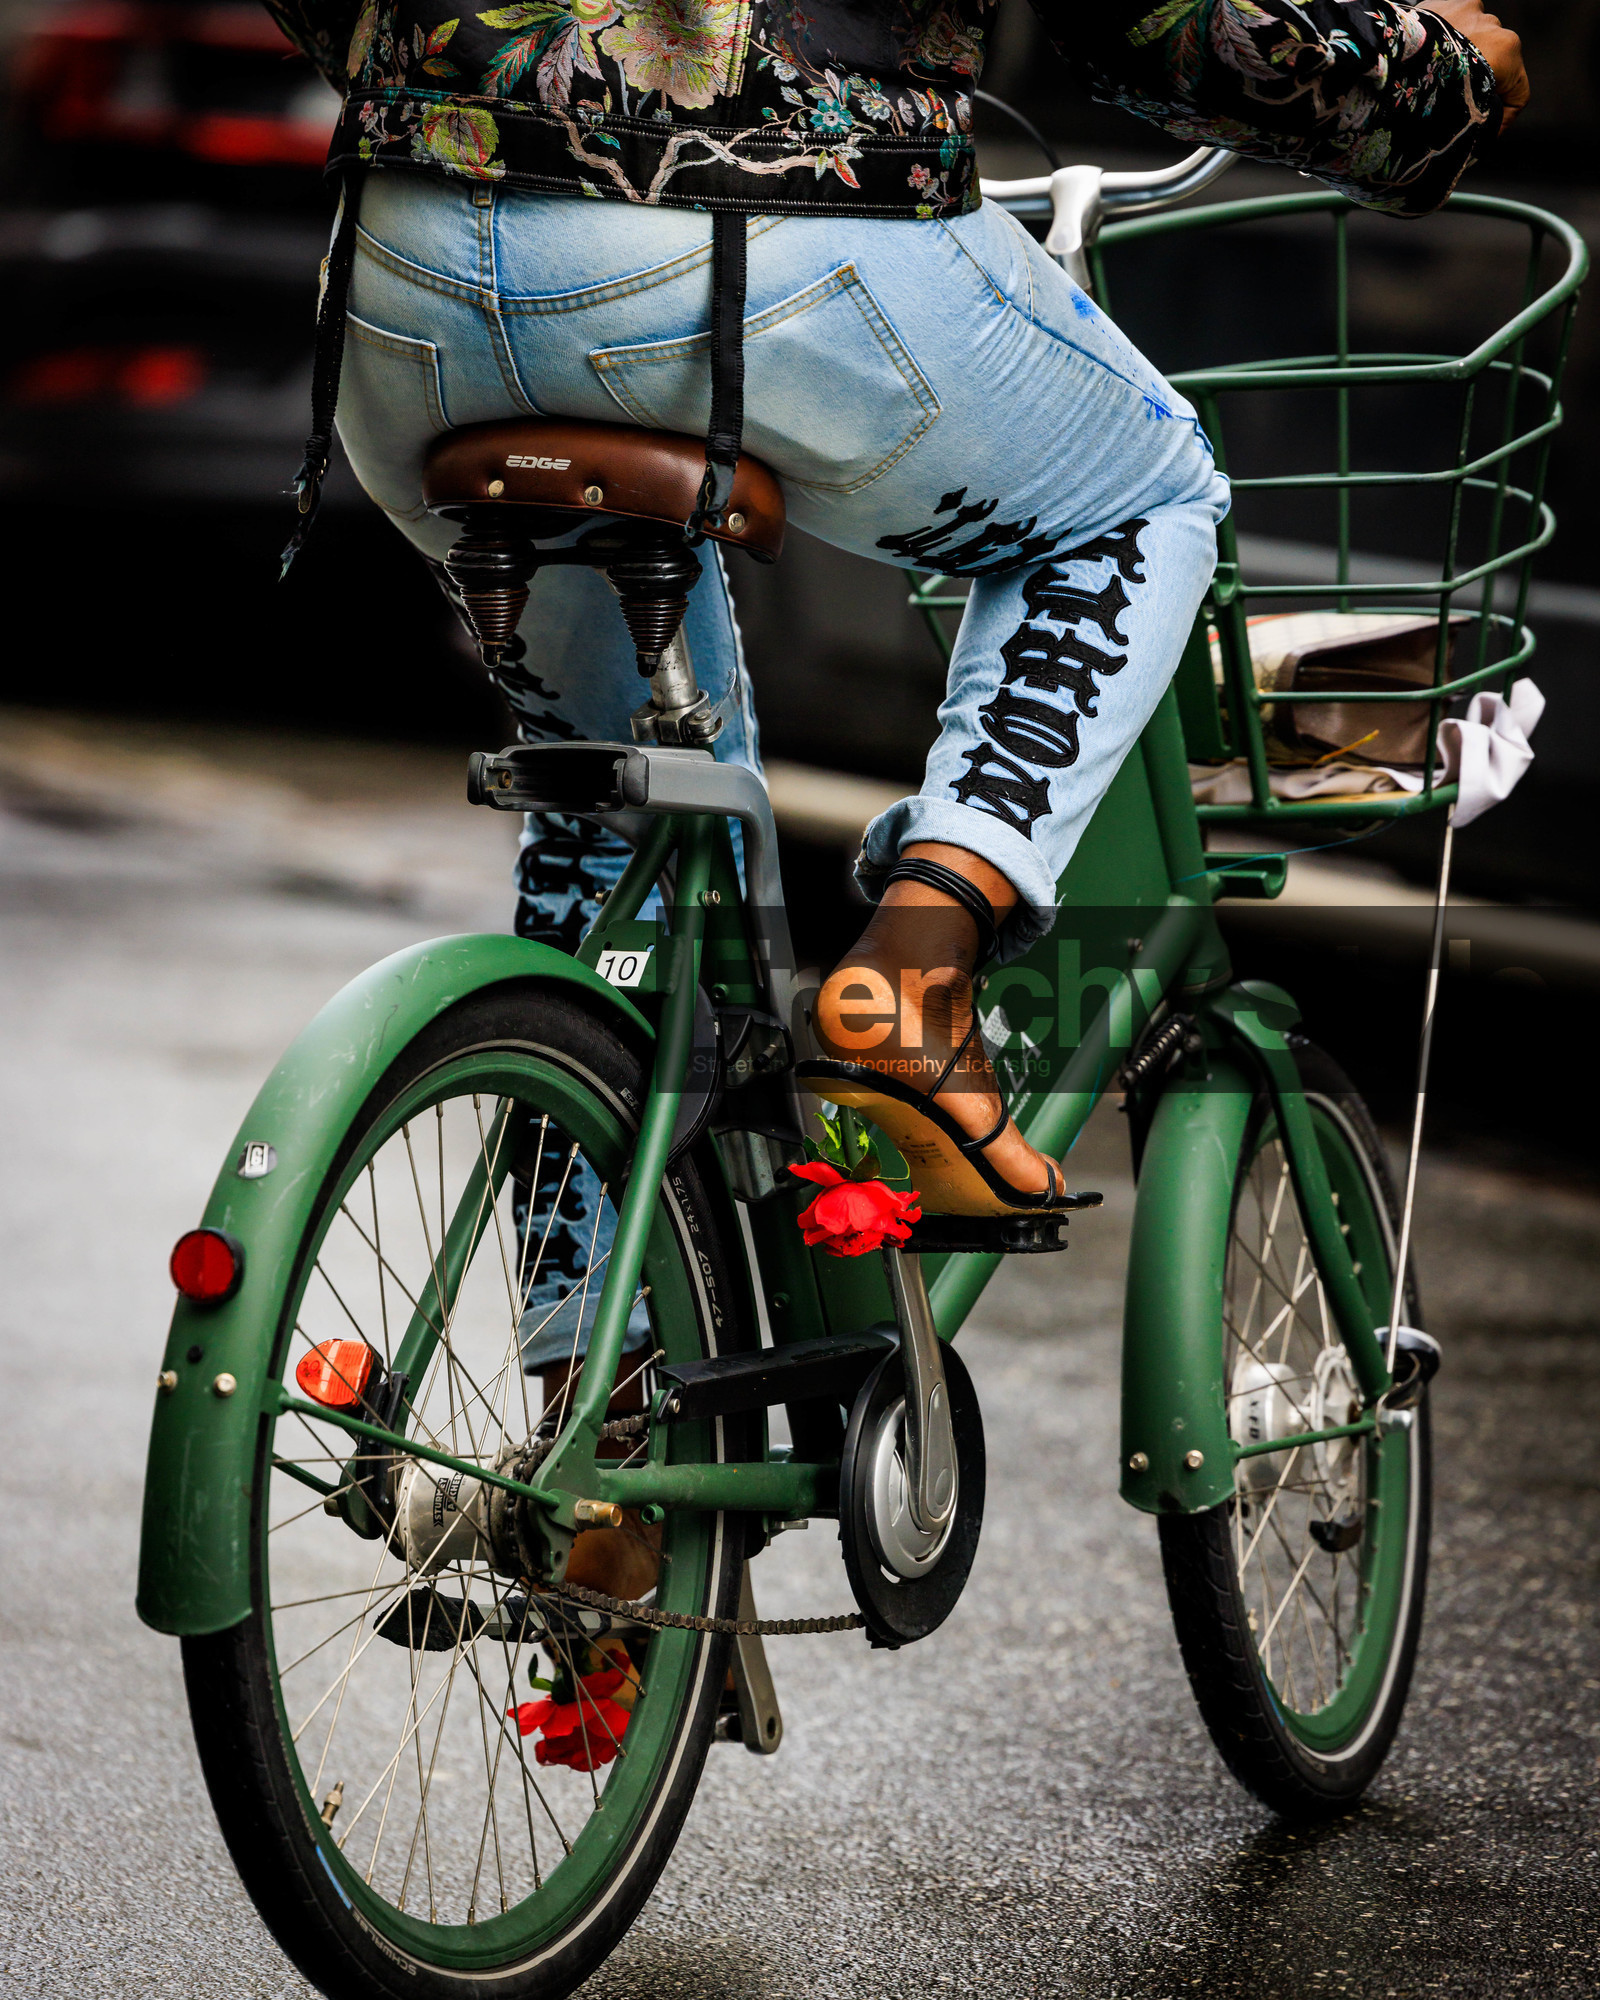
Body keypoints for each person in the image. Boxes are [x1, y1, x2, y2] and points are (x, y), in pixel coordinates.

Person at [265, 0, 1527, 1390]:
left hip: (403, 283)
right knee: (1138, 497)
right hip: (746, 238)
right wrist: (1430, 84)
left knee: (618, 808)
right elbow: (1170, 23)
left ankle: (596, 1409)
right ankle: (915, 977)